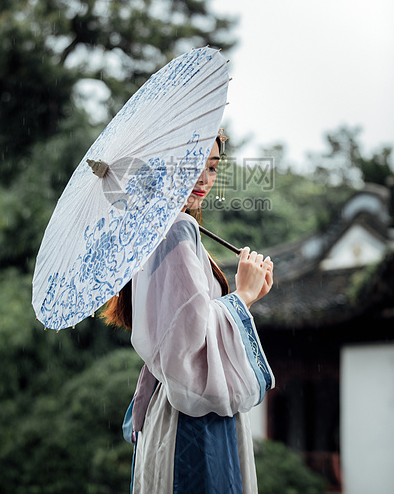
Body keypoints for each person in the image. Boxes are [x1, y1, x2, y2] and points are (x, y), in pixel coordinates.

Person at [103, 135, 274, 493]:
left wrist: (244, 295)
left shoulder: (154, 231)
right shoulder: (176, 230)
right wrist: (242, 295)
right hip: (194, 415)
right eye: (193, 164)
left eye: (212, 167)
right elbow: (186, 338)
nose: (204, 178)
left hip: (177, 409)